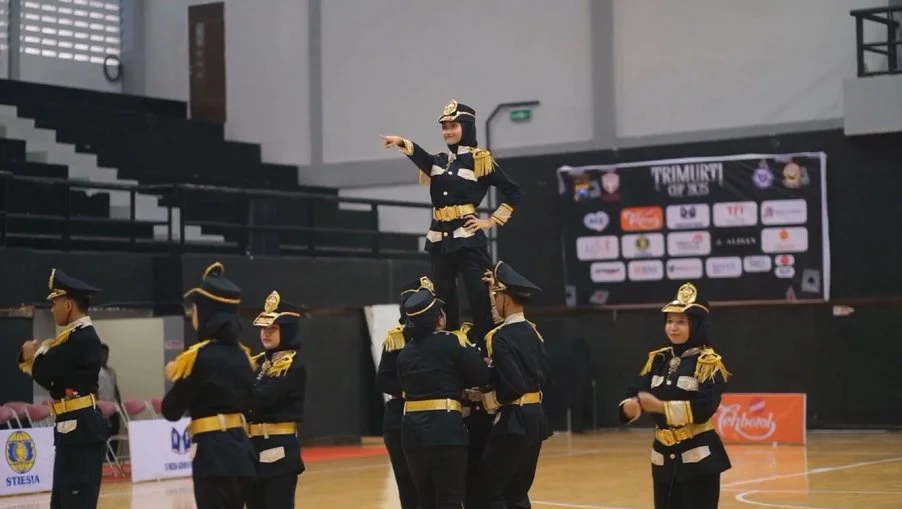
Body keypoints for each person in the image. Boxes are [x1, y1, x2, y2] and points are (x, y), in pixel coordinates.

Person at [381, 99, 523, 346]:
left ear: (466, 127)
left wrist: (490, 221)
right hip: (439, 238)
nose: (447, 132)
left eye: (453, 126)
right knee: (443, 298)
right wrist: (402, 142)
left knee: (479, 297)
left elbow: (513, 192)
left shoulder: (479, 160)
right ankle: (451, 347)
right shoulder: (439, 162)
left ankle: (486, 350)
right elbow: (421, 157)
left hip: (468, 239)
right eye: (444, 127)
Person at [618, 282, 732, 509]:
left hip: (698, 461)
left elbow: (704, 408)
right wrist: (629, 407)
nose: (673, 327)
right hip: (662, 461)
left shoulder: (708, 363)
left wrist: (660, 407)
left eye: (681, 322)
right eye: (669, 321)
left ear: (696, 325)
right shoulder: (657, 360)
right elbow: (633, 393)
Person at [162, 262, 258, 509]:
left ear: (206, 314)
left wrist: (178, 378)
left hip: (213, 460)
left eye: (195, 309)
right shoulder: (243, 356)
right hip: (243, 455)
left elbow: (171, 410)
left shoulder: (198, 357)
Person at [17, 269, 109, 509]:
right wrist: (35, 360)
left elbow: (46, 370)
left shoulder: (82, 338)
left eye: (55, 303)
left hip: (82, 433)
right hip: (71, 431)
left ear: (68, 304)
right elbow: (50, 377)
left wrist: (31, 356)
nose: (53, 309)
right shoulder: (74, 338)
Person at [395, 283, 492, 509]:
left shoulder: (405, 354)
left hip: (412, 433)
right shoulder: (451, 343)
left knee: (425, 499)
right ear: (439, 319)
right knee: (449, 499)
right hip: (445, 429)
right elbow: (481, 376)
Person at [478, 261, 552, 509]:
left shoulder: (499, 338)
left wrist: (487, 398)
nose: (495, 300)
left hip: (513, 420)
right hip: (535, 417)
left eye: (497, 295)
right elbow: (544, 377)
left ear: (506, 298)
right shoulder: (534, 332)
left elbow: (513, 386)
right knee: (518, 492)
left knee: (491, 492)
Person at [245, 290, 308, 509]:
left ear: (287, 330)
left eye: (273, 328)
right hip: (251, 448)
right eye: (264, 328)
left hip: (278, 451)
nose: (266, 333)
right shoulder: (259, 363)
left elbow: (261, 398)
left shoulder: (292, 366)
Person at [376, 277, 429, 509]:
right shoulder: (396, 339)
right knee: (407, 484)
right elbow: (383, 380)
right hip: (400, 416)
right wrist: (413, 389)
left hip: (432, 418)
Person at [98, 343, 122, 460]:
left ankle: (112, 459)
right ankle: (102, 459)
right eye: (102, 354)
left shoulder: (111, 371)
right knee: (103, 435)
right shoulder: (95, 371)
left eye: (106, 354)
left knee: (114, 433)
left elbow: (115, 389)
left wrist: (119, 405)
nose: (105, 356)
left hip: (113, 408)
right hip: (101, 409)